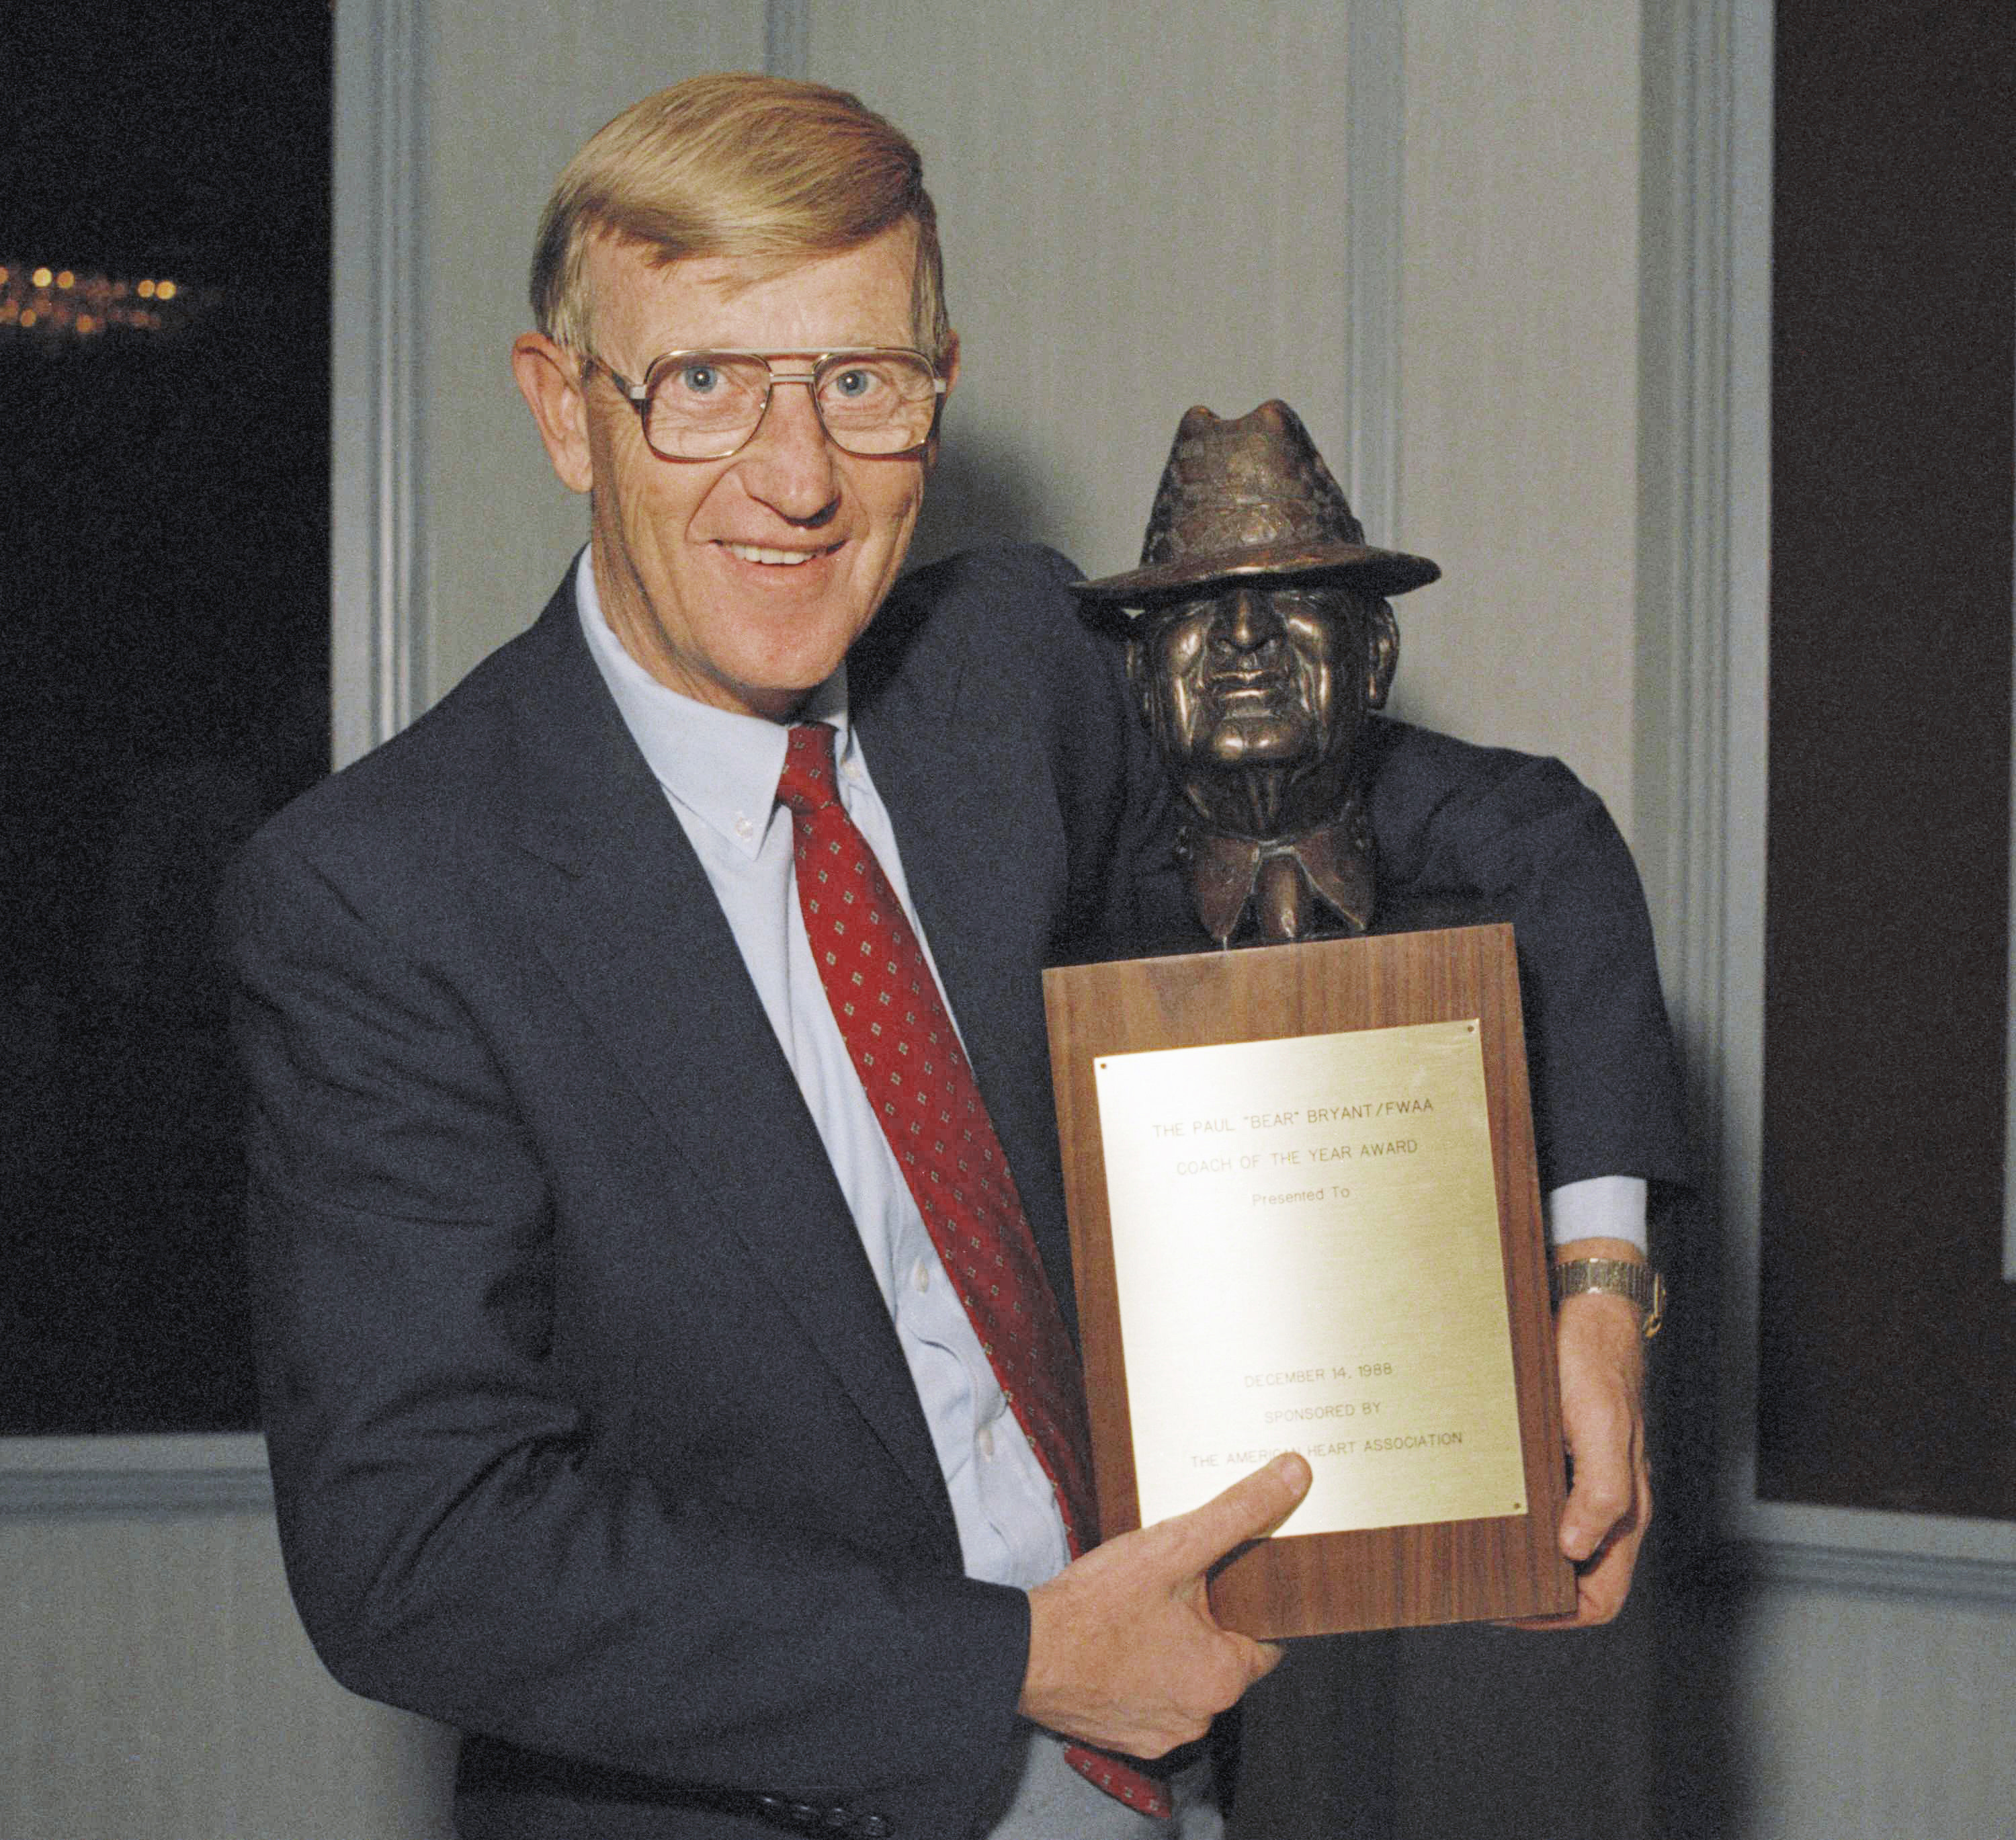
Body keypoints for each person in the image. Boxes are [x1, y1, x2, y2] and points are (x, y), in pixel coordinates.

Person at [223, 75, 1687, 1840]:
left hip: (1175, 1771)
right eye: (703, 383)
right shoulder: (385, 893)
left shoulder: (1012, 678)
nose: (797, 475)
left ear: (939, 386)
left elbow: (1526, 845)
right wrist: (1014, 1658)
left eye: (859, 379)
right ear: (563, 409)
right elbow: (422, 1545)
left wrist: (1592, 1291)